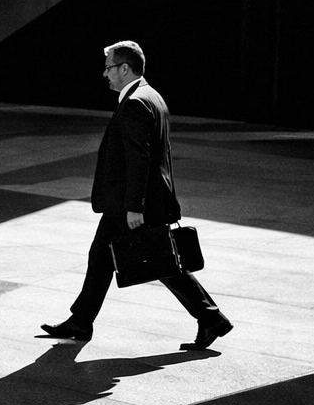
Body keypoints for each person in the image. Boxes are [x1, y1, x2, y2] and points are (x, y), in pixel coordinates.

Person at [42, 41, 232, 349]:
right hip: (129, 202)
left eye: (108, 67)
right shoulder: (149, 95)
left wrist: (135, 207)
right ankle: (81, 321)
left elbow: (139, 158)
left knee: (164, 264)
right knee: (102, 257)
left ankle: (211, 318)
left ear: (125, 68)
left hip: (134, 205)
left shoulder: (135, 103)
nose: (105, 74)